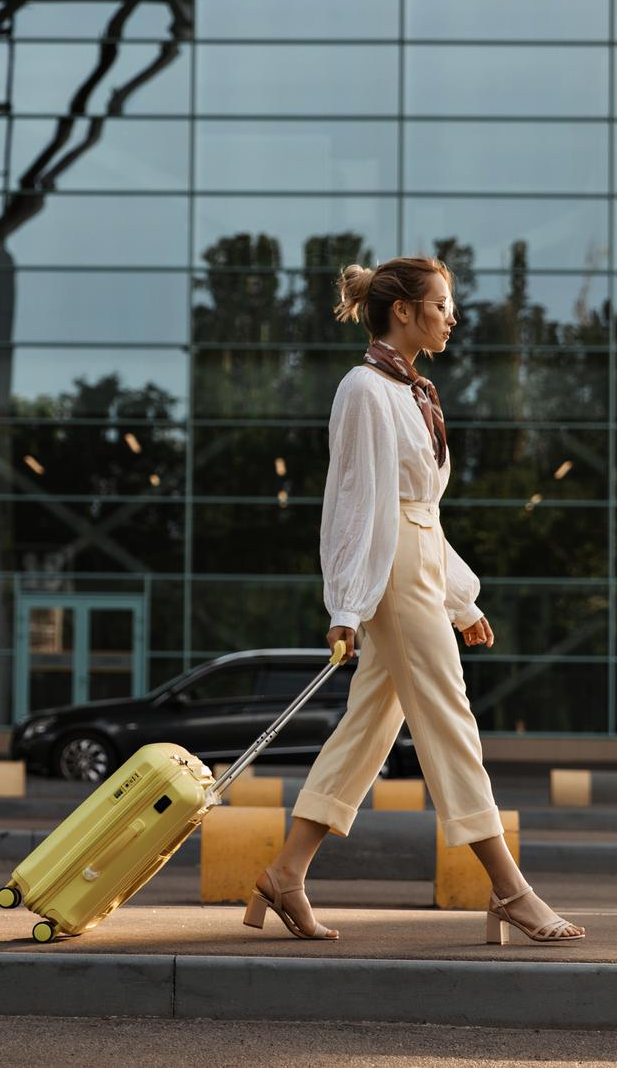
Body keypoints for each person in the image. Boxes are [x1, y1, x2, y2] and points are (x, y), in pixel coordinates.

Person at [243, 256, 585, 946]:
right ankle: (510, 889)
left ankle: (285, 873)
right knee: (449, 716)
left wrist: (460, 596)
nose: (452, 316)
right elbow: (358, 505)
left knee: (368, 728)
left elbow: (422, 510)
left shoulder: (415, 390)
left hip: (419, 565)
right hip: (391, 573)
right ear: (403, 310)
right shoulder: (365, 389)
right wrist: (345, 603)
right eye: (441, 304)